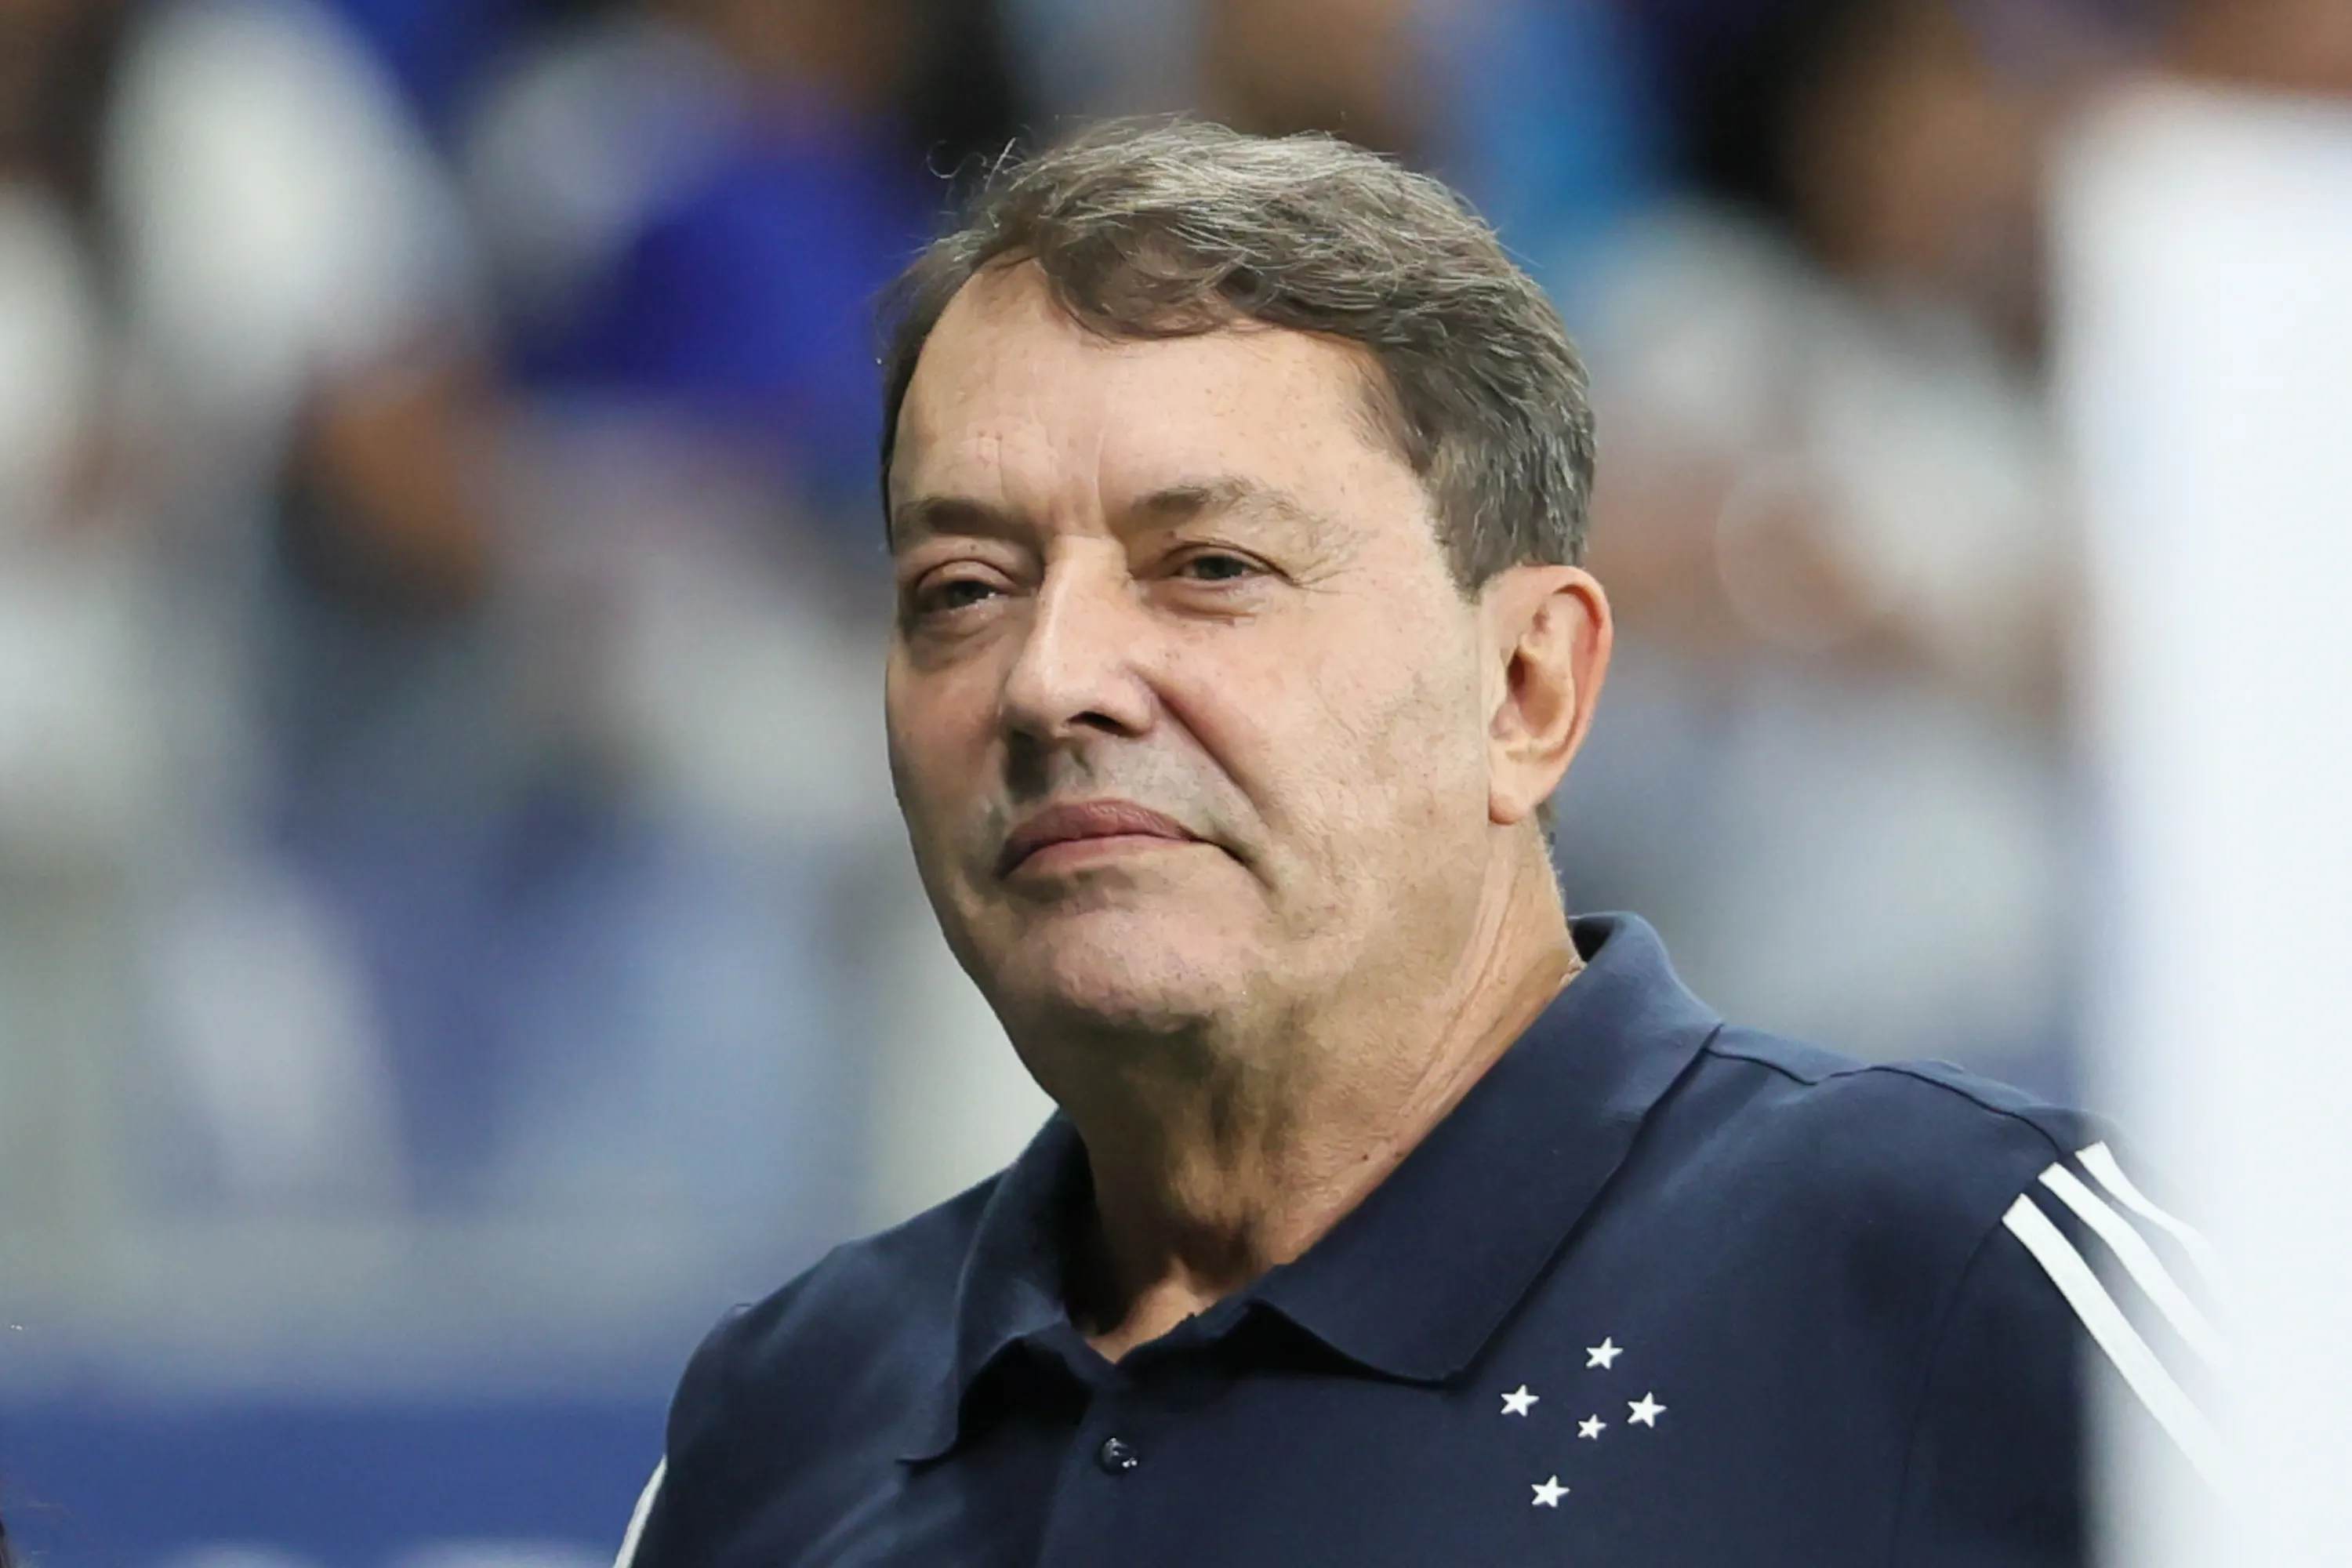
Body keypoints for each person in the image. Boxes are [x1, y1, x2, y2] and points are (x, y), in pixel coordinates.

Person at [613, 121, 2216, 1566]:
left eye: (1210, 566)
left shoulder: (1964, 1270)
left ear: (1526, 689)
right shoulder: (781, 1424)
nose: (1049, 680)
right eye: (962, 589)